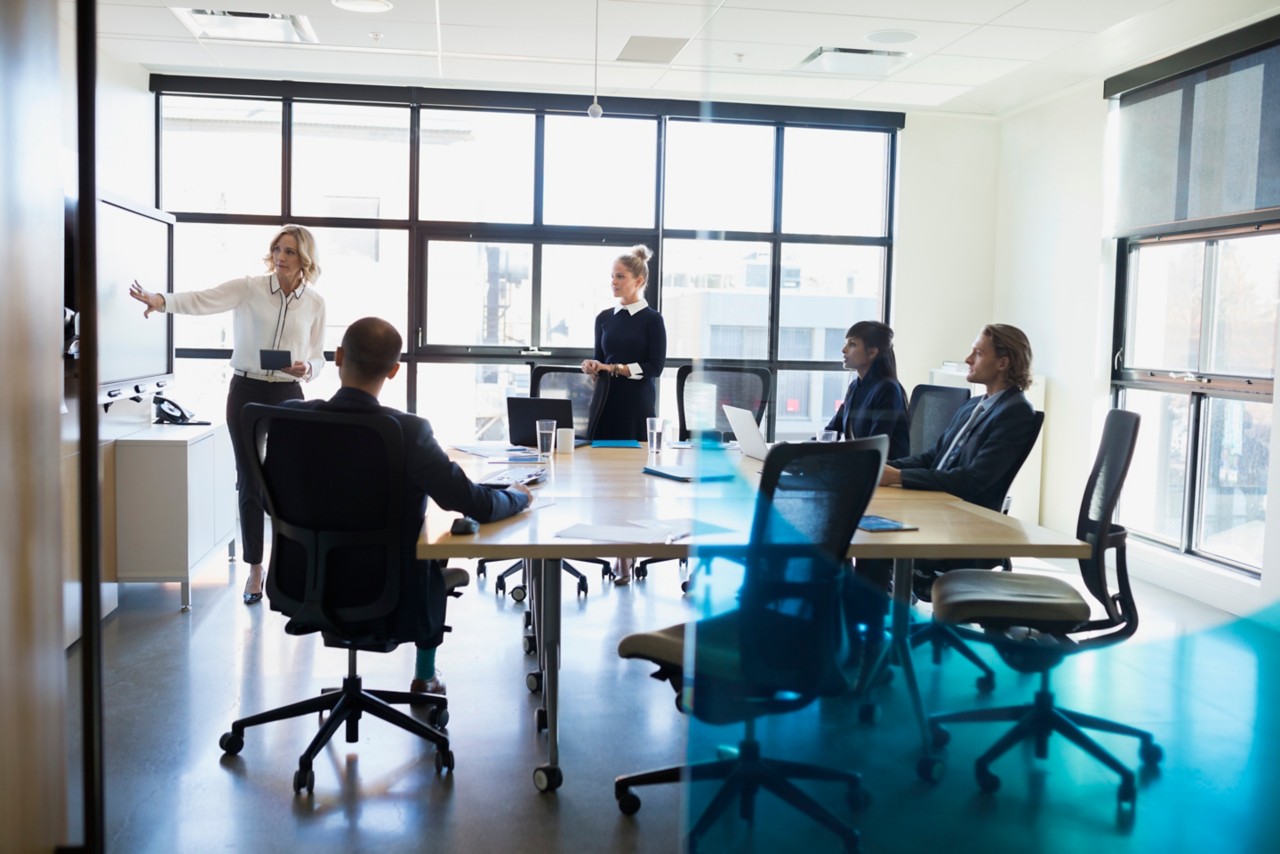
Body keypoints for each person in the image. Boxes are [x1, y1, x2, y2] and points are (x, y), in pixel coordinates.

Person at [288, 316, 533, 693]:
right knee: (436, 553)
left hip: (303, 580)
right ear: (394, 371)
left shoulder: (292, 420)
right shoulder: (408, 432)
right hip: (387, 589)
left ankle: (424, 676)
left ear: (337, 356)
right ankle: (424, 677)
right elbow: (473, 504)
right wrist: (518, 496)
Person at [130, 224, 327, 606]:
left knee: (293, 479)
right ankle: (256, 569)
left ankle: (300, 564)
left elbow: (319, 355)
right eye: (277, 250)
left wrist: (309, 370)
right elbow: (203, 300)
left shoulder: (316, 303)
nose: (281, 258)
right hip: (248, 391)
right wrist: (160, 300)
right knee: (250, 479)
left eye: (289, 252)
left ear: (304, 259)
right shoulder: (250, 287)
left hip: (289, 394)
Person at [880, 323, 1039, 597]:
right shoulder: (972, 406)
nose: (967, 359)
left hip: (962, 520)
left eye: (977, 353)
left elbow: (973, 480)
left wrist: (897, 477)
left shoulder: (1016, 413)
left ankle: (876, 621)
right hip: (939, 506)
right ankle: (874, 617)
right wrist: (885, 466)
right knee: (864, 524)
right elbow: (934, 457)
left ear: (1002, 362)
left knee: (873, 538)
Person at [579, 244, 667, 584]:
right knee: (605, 484)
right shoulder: (604, 317)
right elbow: (598, 358)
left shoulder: (652, 320)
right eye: (612, 276)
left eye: (620, 276)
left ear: (639, 280)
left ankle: (627, 555)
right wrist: (592, 367)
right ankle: (616, 548)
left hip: (635, 406)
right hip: (604, 403)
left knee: (632, 483)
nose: (614, 282)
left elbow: (655, 367)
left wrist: (614, 367)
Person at [825, 321, 909, 665]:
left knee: (847, 541)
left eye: (852, 344)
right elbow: (834, 430)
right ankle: (841, 623)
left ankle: (869, 636)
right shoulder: (857, 385)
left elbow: (877, 447)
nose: (844, 350)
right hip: (860, 481)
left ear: (873, 352)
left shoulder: (887, 389)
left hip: (887, 488)